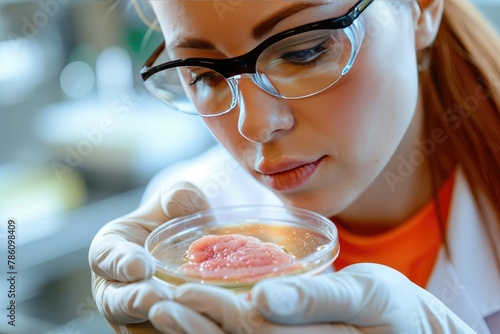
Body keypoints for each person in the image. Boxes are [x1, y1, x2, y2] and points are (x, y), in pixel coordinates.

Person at [89, 0, 500, 332]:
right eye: (204, 75)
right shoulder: (188, 232)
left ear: (422, 8)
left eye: (304, 52)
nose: (256, 127)